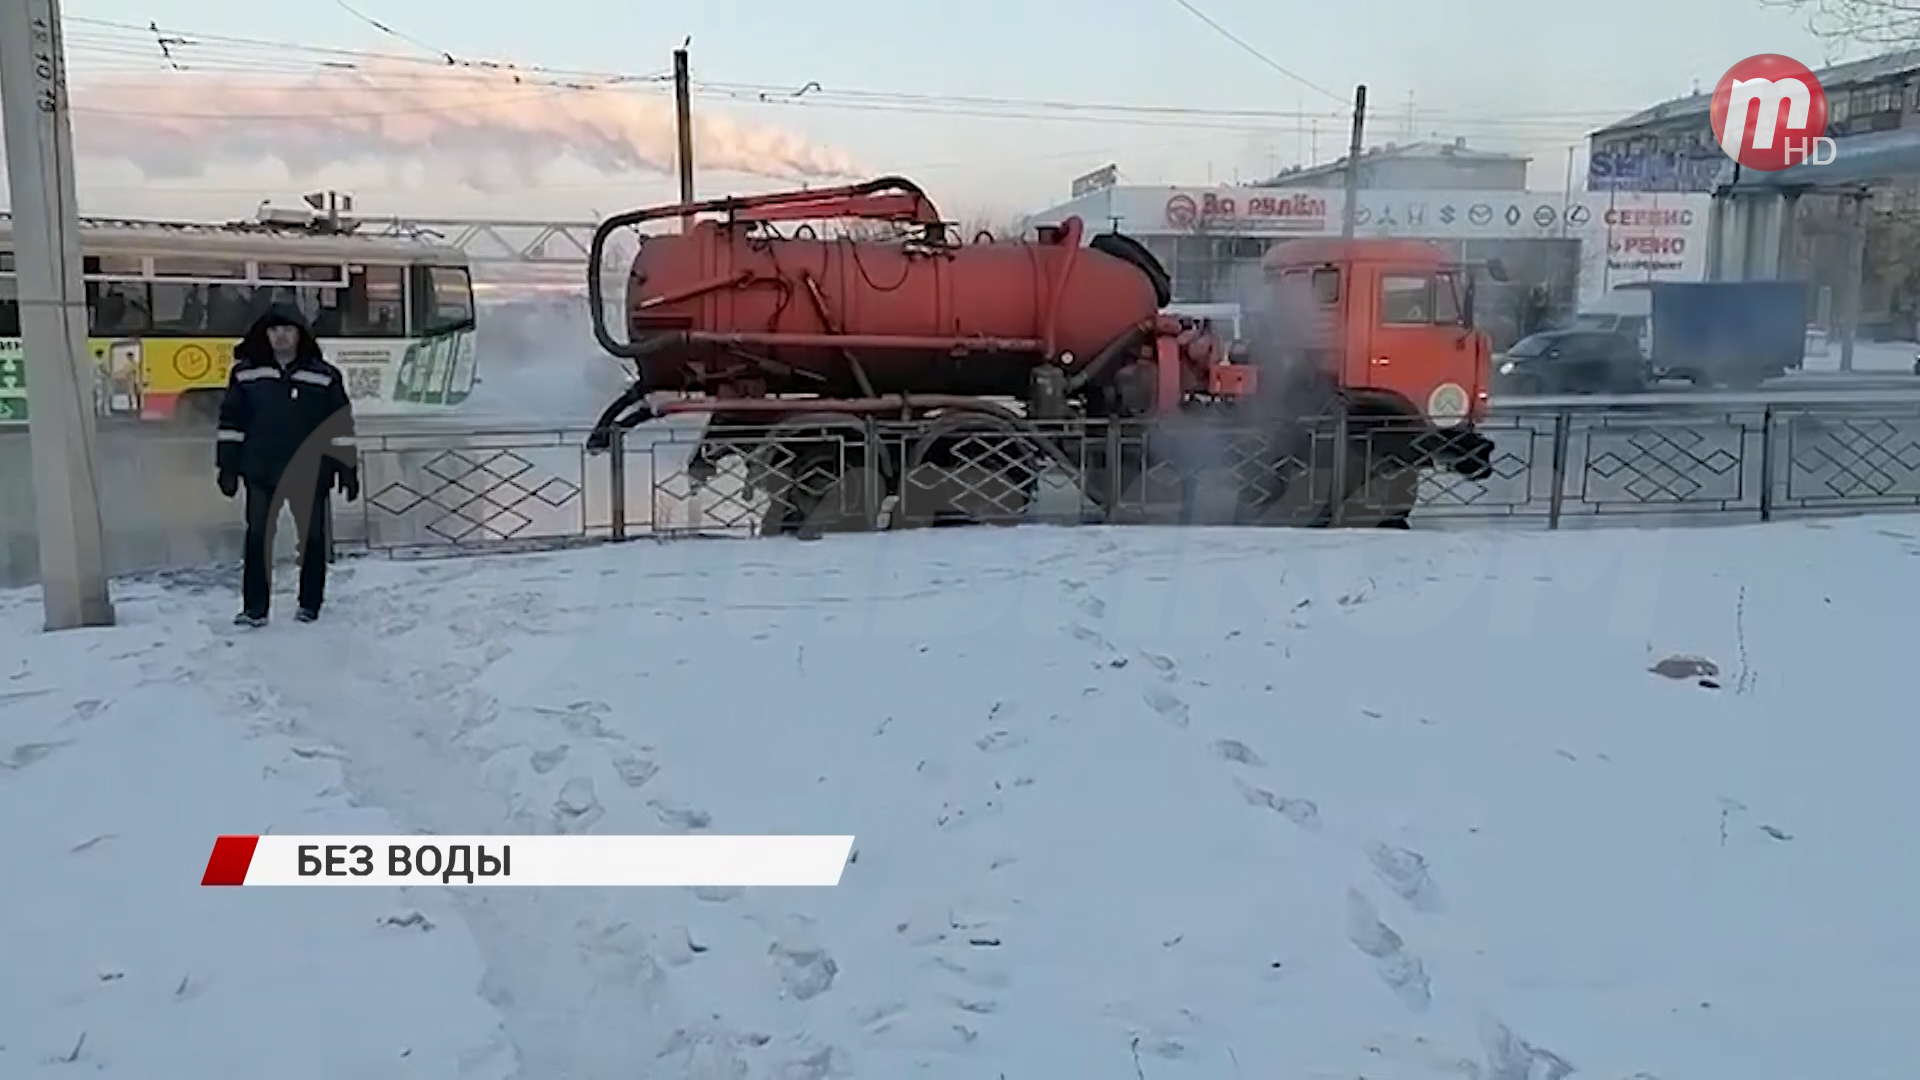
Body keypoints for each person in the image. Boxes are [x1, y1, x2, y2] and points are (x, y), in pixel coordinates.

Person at [215, 304, 360, 627]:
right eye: (274, 330)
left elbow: (339, 425)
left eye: (288, 330)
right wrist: (227, 466)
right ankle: (255, 609)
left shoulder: (323, 376)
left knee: (312, 540)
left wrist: (347, 467)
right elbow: (231, 422)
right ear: (264, 334)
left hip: (310, 473)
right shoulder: (245, 373)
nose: (281, 337)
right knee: (257, 539)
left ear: (300, 334)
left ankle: (309, 604)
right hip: (261, 471)